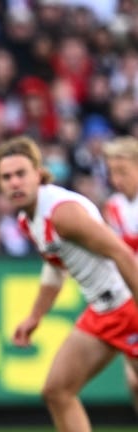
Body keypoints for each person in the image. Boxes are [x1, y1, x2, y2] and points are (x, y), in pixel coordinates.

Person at [0, 135, 138, 432]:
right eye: (6, 178)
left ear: (39, 174)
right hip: (103, 311)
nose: (14, 183)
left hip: (128, 306)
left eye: (21, 173)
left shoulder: (63, 214)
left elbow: (122, 254)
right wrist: (35, 317)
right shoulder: (29, 219)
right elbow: (56, 267)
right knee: (57, 390)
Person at [101, 135, 138, 415]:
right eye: (112, 172)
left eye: (123, 171)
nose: (117, 179)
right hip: (130, 299)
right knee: (134, 383)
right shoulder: (113, 206)